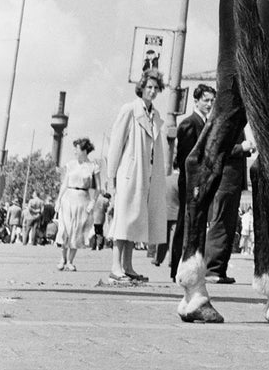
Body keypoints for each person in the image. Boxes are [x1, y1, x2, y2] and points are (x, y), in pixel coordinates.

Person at [105, 67, 170, 284]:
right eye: (149, 87)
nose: (152, 91)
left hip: (146, 175)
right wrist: (111, 177)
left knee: (136, 220)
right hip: (129, 173)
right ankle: (115, 267)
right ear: (141, 88)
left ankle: (128, 266)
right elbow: (116, 144)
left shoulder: (155, 115)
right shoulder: (130, 110)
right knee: (123, 219)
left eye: (156, 88)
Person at [168, 82, 215, 282]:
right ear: (196, 101)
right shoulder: (189, 124)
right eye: (206, 100)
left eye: (212, 101)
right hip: (190, 183)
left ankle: (192, 267)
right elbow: (186, 159)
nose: (209, 104)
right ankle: (177, 268)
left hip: (201, 182)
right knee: (184, 224)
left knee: (196, 225)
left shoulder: (206, 124)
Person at [204, 125, 253, 285]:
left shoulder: (234, 123)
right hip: (225, 181)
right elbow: (218, 148)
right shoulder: (225, 122)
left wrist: (246, 149)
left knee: (228, 226)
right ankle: (212, 269)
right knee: (221, 224)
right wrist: (241, 148)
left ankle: (219, 269)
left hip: (232, 181)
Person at [54, 137, 99, 272]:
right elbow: (64, 183)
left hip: (83, 200)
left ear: (84, 151)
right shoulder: (70, 164)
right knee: (65, 230)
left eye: (77, 149)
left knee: (77, 231)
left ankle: (70, 261)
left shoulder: (93, 167)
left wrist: (93, 202)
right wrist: (58, 199)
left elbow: (98, 188)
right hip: (68, 198)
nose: (74, 151)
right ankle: (62, 259)